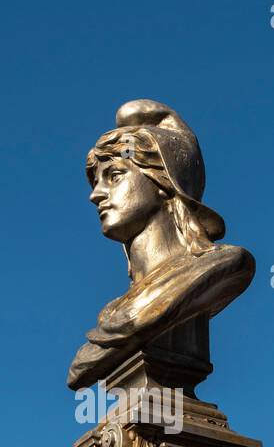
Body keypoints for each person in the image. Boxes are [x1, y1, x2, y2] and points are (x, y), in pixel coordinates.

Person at [67, 99, 255, 390]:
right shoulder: (113, 313)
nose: (97, 195)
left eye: (114, 176)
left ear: (162, 181)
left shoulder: (223, 266)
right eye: (96, 183)